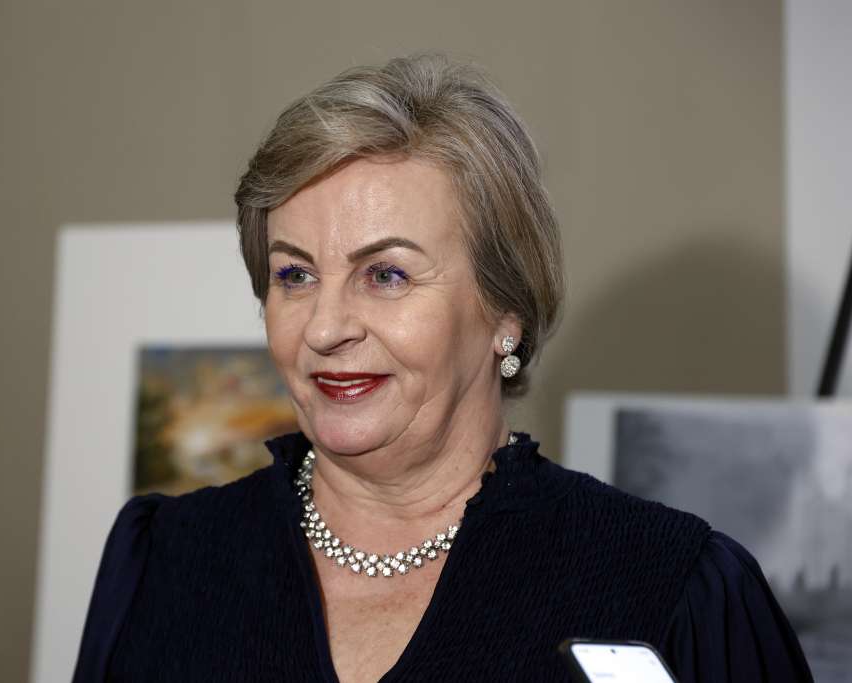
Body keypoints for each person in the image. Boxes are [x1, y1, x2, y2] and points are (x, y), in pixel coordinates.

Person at [73, 54, 812, 682]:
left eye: (386, 275)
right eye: (294, 275)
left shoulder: (671, 590)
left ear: (505, 310)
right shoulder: (163, 562)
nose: (324, 328)